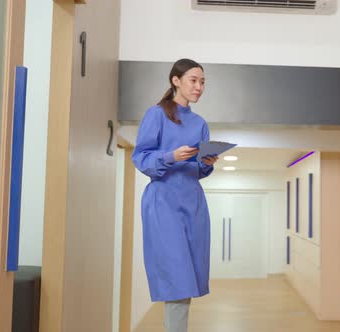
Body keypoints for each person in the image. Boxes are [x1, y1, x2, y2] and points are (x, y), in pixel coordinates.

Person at [132, 58, 218, 332]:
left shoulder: (200, 123)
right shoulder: (156, 114)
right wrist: (171, 156)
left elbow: (199, 171)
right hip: (163, 202)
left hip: (192, 202)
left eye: (202, 82)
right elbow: (141, 158)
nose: (199, 87)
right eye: (194, 80)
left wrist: (207, 163)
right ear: (176, 80)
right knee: (178, 276)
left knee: (189, 277)